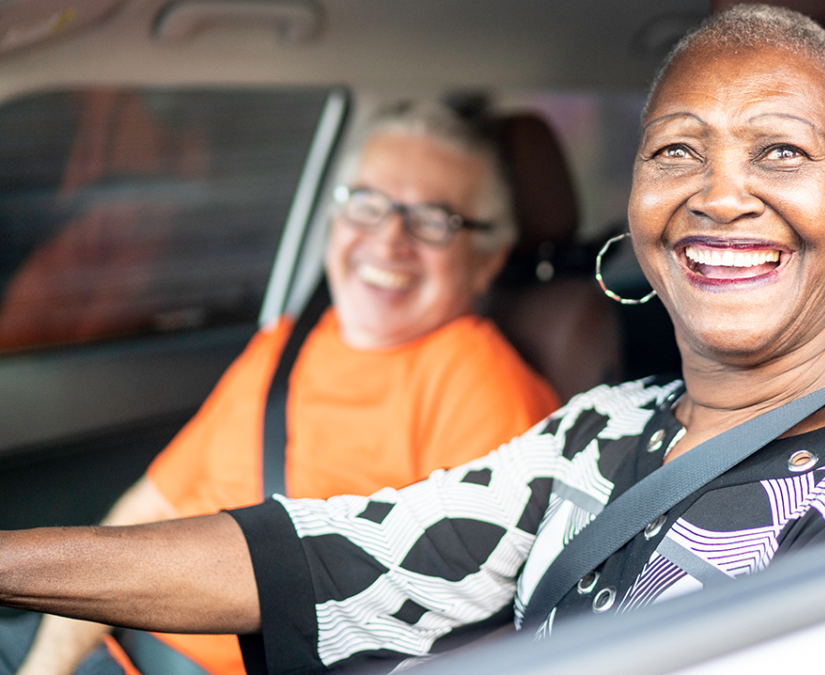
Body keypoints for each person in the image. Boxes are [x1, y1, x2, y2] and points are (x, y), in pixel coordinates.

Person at [0, 6, 825, 675]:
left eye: (780, 150)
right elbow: (346, 557)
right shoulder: (608, 427)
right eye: (676, 153)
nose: (719, 196)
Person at [5, 102, 560, 675]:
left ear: (486, 259)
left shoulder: (488, 392)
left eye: (434, 218)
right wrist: (48, 664)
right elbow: (148, 507)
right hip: (98, 644)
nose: (389, 240)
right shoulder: (290, 342)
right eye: (367, 204)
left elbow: (460, 635)